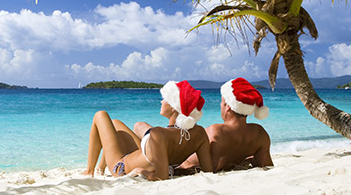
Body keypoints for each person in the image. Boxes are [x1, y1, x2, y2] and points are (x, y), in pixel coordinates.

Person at [134, 77, 273, 173]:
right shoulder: (259, 133)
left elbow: (207, 169)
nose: (220, 105)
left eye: (222, 101)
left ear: (228, 107)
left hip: (170, 161)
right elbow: (266, 164)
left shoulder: (217, 131)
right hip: (169, 156)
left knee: (140, 126)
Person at [83, 80, 213, 180]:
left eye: (165, 99)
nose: (161, 102)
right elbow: (208, 171)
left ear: (174, 107)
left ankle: (89, 171)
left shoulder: (159, 133)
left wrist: (143, 172)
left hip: (121, 167)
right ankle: (100, 168)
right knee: (115, 124)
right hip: (137, 157)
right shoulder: (199, 133)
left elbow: (161, 179)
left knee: (100, 115)